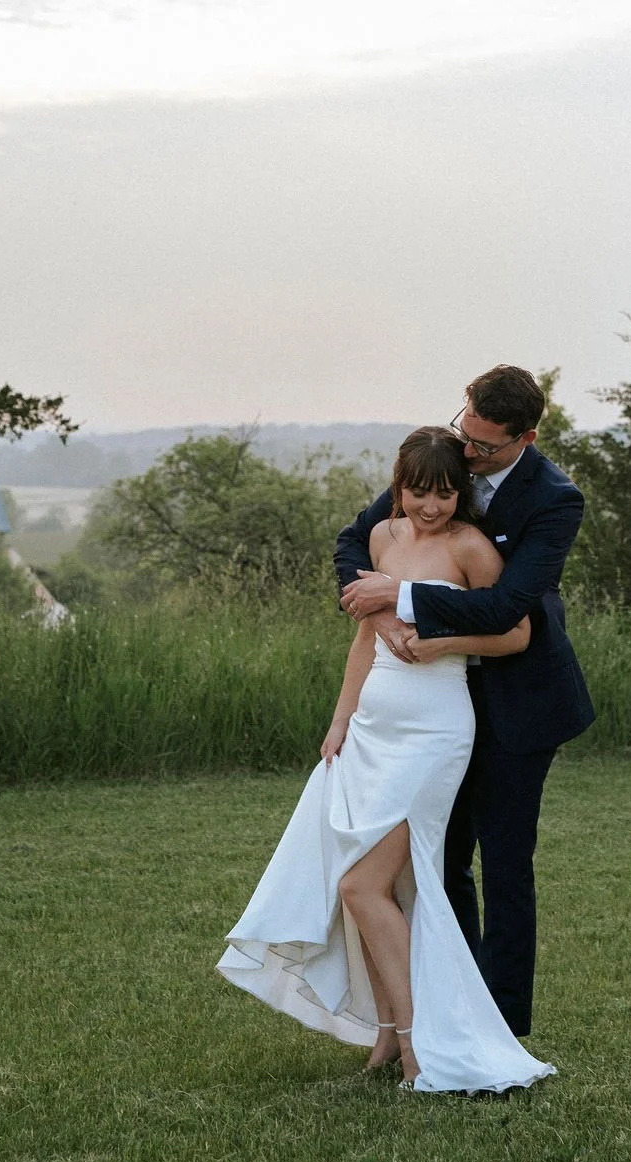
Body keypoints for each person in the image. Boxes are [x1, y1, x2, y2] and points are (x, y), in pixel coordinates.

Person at [217, 426, 555, 1094]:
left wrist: (440, 644)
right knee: (391, 889)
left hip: (433, 734)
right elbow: (364, 642)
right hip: (372, 726)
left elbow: (515, 633)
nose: (431, 507)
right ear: (399, 488)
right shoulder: (381, 541)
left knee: (360, 886)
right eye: (419, 493)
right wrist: (341, 720)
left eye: (445, 494)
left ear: (461, 494)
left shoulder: (470, 547)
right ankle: (385, 1036)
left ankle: (414, 1046)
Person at [335, 365, 594, 1038]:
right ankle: (447, 1013)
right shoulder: (442, 464)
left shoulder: (555, 499)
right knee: (439, 863)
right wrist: (372, 604)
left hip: (519, 702)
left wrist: (403, 597)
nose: (468, 454)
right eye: (464, 431)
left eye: (483, 446)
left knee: (506, 864)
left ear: (525, 438)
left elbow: (511, 605)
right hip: (433, 709)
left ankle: (501, 1028)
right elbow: (353, 541)